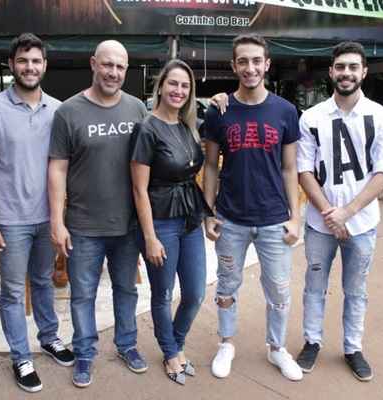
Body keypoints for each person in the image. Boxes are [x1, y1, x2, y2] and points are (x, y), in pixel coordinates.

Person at [0, 33, 74, 393]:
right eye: (23, 60)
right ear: (12, 64)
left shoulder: (58, 110)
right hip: (10, 220)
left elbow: (65, 166)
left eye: (36, 61)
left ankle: (49, 337)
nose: (30, 67)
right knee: (13, 291)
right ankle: (21, 356)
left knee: (45, 281)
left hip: (48, 217)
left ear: (45, 65)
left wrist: (62, 217)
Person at [202, 34, 303, 382]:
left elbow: (291, 168)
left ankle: (277, 349)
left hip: (275, 219)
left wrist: (295, 217)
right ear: (233, 66)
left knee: (279, 290)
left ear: (267, 64)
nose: (250, 68)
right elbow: (211, 165)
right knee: (227, 285)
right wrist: (209, 211)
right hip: (231, 218)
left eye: (256, 61)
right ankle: (226, 343)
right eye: (242, 61)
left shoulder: (285, 111)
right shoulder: (220, 110)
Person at [48, 40, 149, 388]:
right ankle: (85, 354)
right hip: (83, 225)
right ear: (93, 64)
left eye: (120, 67)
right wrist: (57, 221)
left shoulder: (138, 109)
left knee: (126, 290)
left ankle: (127, 345)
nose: (113, 73)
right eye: (107, 65)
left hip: (126, 224)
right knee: (82, 294)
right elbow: (57, 169)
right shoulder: (68, 112)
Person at [295, 41, 383, 382]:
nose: (346, 73)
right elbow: (303, 171)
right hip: (319, 223)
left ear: (363, 72)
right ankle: (312, 341)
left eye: (353, 67)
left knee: (356, 289)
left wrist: (347, 213)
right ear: (331, 71)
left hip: (362, 224)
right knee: (314, 284)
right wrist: (329, 213)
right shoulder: (311, 117)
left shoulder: (381, 117)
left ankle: (353, 347)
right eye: (341, 67)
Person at [130, 59, 212, 385]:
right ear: (161, 86)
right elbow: (138, 188)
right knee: (163, 294)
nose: (179, 90)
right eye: (173, 83)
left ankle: (174, 344)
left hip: (189, 220)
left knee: (194, 293)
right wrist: (149, 237)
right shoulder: (146, 128)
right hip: (160, 222)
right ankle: (171, 353)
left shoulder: (186, 126)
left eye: (185, 86)